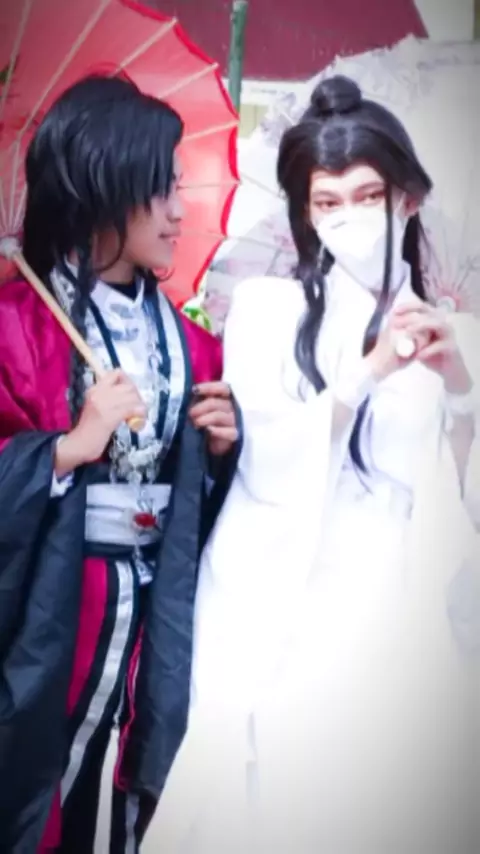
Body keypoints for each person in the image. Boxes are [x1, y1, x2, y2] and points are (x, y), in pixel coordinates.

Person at [150, 76, 480, 853]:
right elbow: (269, 461)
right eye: (327, 202)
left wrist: (458, 387)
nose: (349, 217)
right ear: (305, 213)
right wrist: (371, 369)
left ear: (407, 199)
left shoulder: (457, 331)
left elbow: (465, 497)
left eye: (368, 196)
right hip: (281, 595)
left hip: (393, 600)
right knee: (268, 807)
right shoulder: (268, 310)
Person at [0, 74, 240, 853]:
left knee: (133, 782)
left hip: (155, 611)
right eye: (160, 190)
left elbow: (204, 498)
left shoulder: (194, 344)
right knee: (38, 783)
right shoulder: (16, 324)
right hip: (56, 607)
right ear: (105, 187)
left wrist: (220, 451)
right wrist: (65, 448)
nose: (179, 212)